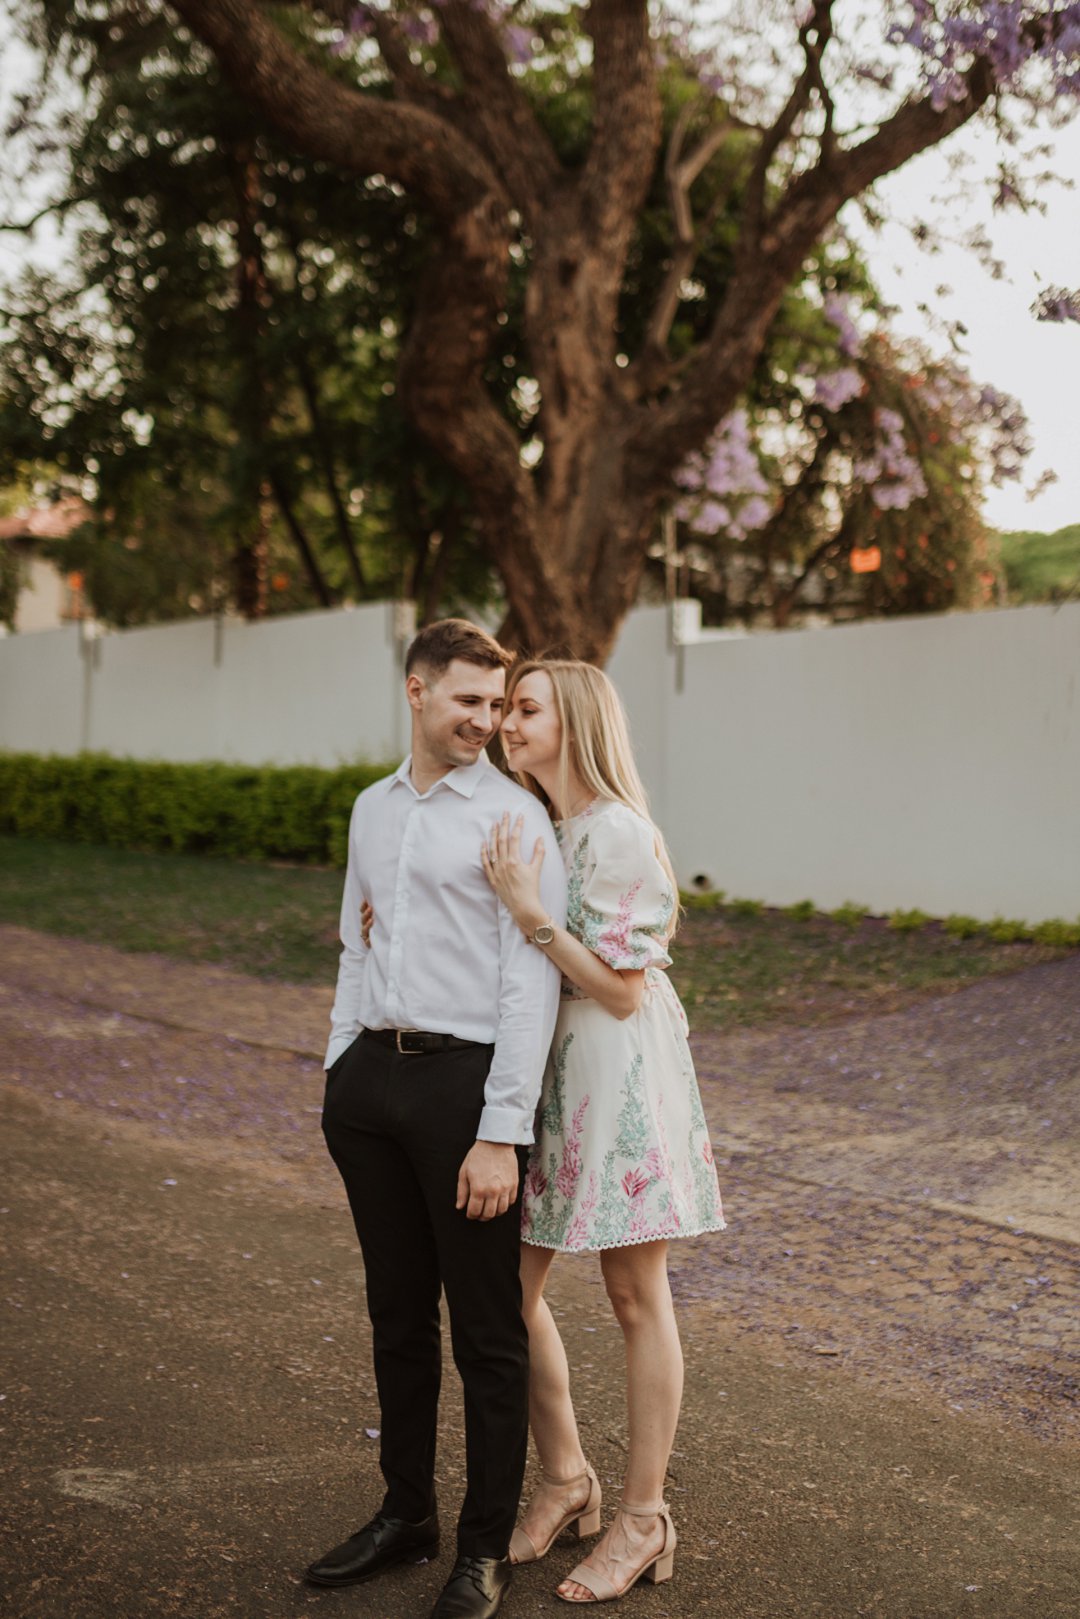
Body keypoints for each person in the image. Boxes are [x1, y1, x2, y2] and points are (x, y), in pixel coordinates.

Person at [308, 620, 567, 1619]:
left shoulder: (513, 817)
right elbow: (354, 940)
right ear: (417, 691)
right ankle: (405, 1511)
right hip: (371, 1083)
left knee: (488, 1331)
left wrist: (501, 1130)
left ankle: (484, 1546)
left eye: (497, 703)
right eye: (468, 699)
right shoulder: (371, 809)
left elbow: (529, 982)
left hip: (466, 1091)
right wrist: (340, 1061)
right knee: (397, 1314)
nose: (486, 720)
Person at [480, 658, 725, 1605]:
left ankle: (643, 1514)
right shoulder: (543, 824)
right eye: (506, 707)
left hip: (618, 1075)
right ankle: (564, 1477)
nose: (507, 722)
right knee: (505, 1290)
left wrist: (532, 917)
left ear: (575, 721)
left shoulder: (617, 830)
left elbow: (622, 992)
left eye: (526, 708)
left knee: (633, 1293)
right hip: (547, 1073)